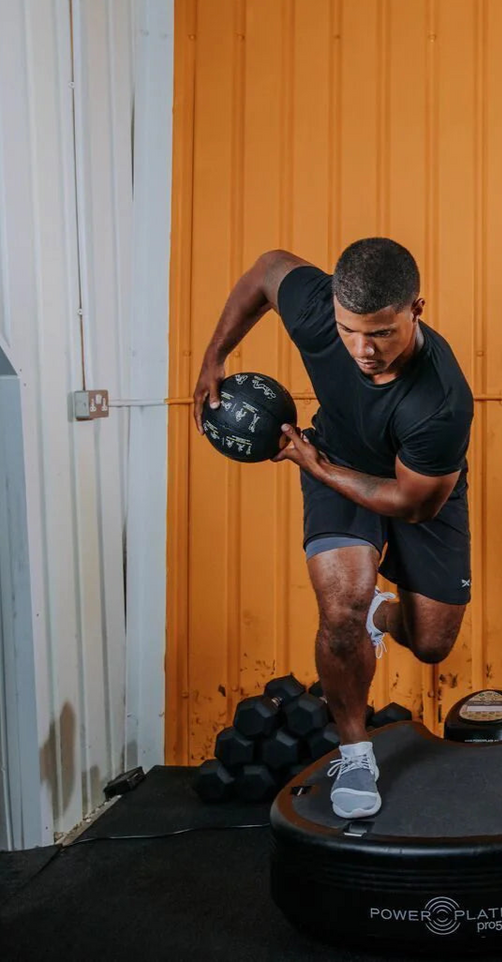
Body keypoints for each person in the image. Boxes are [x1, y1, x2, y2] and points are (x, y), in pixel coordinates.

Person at [193, 237, 473, 819]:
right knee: (341, 602)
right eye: (349, 331)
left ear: (415, 309)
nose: (362, 349)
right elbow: (267, 268)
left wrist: (315, 465)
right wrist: (213, 358)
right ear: (334, 310)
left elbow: (413, 503)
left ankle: (382, 614)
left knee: (431, 642)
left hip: (417, 483)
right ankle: (355, 749)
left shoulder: (440, 401)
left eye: (381, 333)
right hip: (336, 455)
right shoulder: (319, 308)